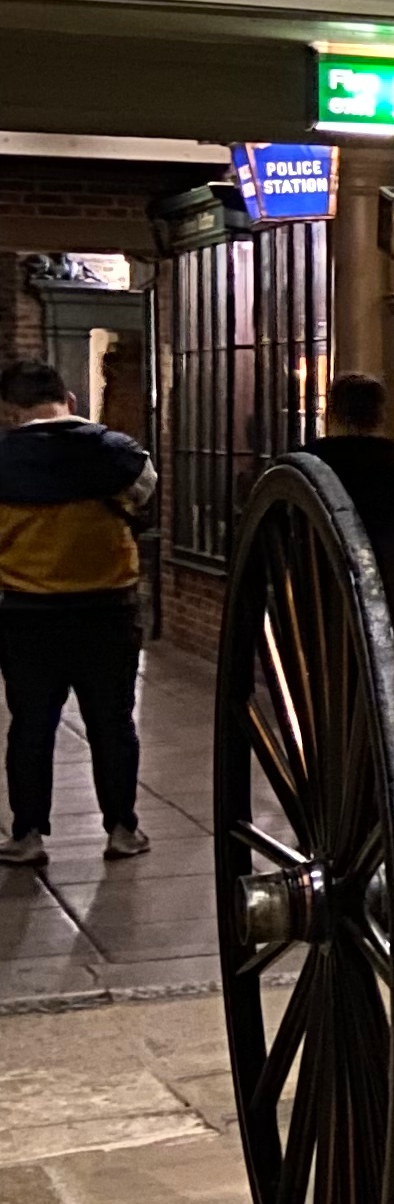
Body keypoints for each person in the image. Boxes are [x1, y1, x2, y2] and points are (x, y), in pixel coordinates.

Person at [0, 355, 155, 868]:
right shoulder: (122, 454)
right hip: (108, 611)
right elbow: (144, 501)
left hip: (27, 615)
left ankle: (27, 835)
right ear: (68, 399)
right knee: (113, 724)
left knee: (31, 727)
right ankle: (122, 829)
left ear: (11, 411)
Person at [311, 373, 394, 662]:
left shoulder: (312, 465)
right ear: (379, 415)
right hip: (387, 591)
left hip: (322, 595)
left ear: (333, 412)